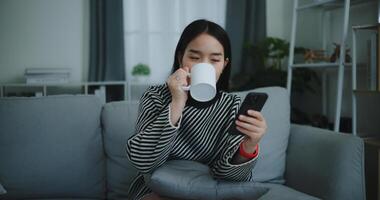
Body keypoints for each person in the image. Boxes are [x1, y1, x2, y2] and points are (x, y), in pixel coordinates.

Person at [126, 19, 267, 200]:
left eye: (215, 60)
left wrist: (249, 146)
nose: (205, 66)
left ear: (224, 65)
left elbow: (230, 178)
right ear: (180, 58)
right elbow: (143, 162)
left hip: (208, 191)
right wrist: (177, 102)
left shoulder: (231, 104)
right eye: (194, 57)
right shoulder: (156, 96)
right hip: (157, 188)